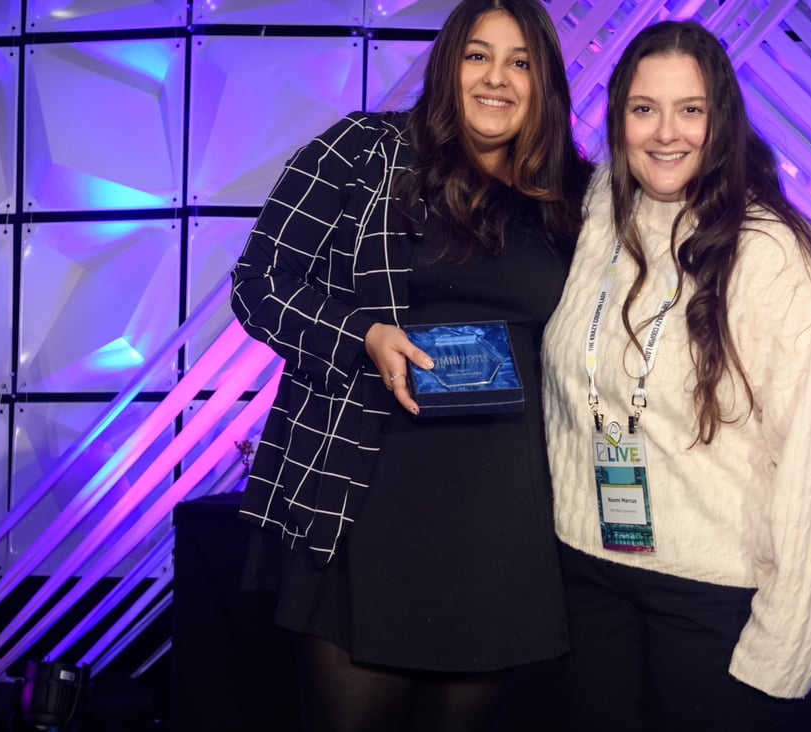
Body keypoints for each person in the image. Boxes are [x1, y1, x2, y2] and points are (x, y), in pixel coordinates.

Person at [230, 0, 592, 729]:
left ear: (545, 81)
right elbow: (258, 283)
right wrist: (360, 334)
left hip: (505, 521)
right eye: (477, 55)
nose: (497, 78)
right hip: (365, 499)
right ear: (447, 64)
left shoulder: (574, 199)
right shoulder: (362, 152)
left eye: (521, 61)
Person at [542, 19, 811, 731]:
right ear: (618, 116)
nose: (666, 133)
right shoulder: (602, 213)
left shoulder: (777, 257)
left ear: (722, 121)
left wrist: (785, 647)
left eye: (691, 109)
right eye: (644, 109)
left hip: (709, 596)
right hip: (586, 578)